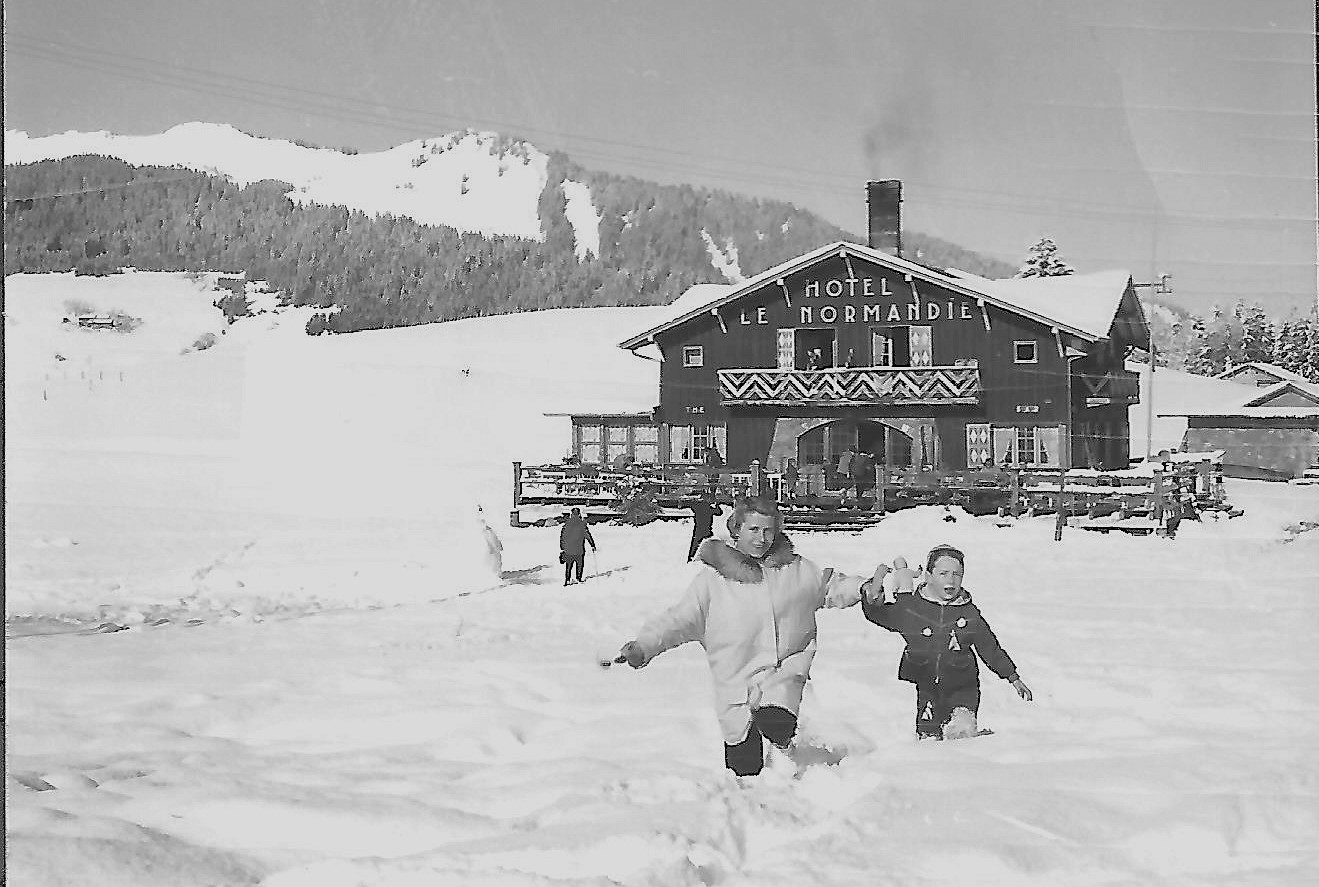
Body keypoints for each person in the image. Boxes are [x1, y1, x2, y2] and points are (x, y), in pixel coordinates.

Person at [615, 496, 889, 777]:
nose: (762, 539)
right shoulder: (713, 581)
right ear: (736, 529)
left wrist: (863, 588)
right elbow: (677, 620)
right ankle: (754, 799)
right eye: (754, 530)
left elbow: (831, 586)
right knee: (744, 767)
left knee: (776, 718)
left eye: (769, 530)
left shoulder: (797, 570)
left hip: (783, 672)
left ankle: (788, 755)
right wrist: (643, 646)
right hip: (736, 681)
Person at [861, 545, 1032, 740]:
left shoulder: (968, 614)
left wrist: (1012, 676)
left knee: (962, 733)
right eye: (943, 573)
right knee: (928, 738)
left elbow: (989, 647)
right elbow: (881, 615)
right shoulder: (912, 609)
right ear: (928, 576)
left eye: (957, 574)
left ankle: (965, 737)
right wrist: (870, 599)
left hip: (963, 687)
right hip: (927, 687)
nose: (951, 580)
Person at [559, 507, 597, 585]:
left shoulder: (567, 523)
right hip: (579, 550)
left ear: (571, 514)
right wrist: (592, 544)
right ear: (579, 514)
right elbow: (587, 535)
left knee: (568, 565)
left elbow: (562, 536)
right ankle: (578, 578)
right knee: (579, 565)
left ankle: (567, 580)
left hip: (569, 550)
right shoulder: (582, 524)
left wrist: (562, 547)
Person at [687, 494, 722, 561]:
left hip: (699, 529)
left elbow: (691, 504)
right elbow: (719, 512)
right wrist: (717, 504)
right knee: (710, 545)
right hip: (707, 530)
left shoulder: (698, 506)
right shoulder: (709, 508)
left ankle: (691, 557)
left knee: (695, 545)